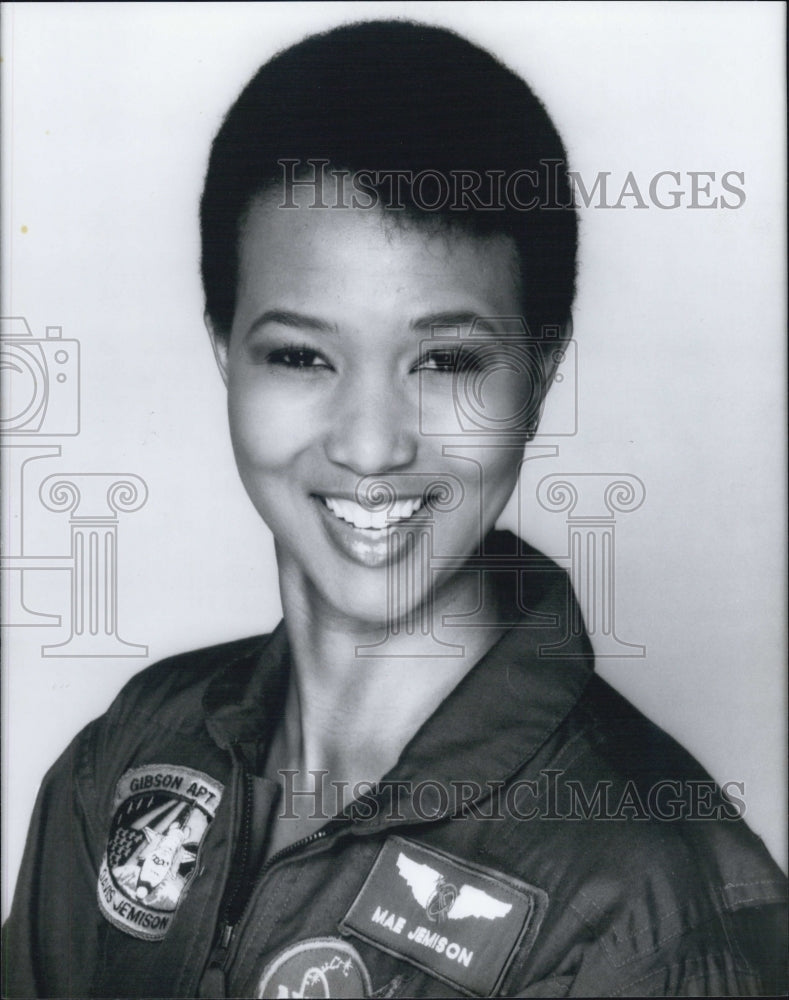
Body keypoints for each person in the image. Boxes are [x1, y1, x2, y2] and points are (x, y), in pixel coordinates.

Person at [2, 19, 786, 999]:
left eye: (446, 361)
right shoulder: (131, 756)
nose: (370, 446)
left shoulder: (647, 901)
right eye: (301, 355)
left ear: (538, 377)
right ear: (225, 355)